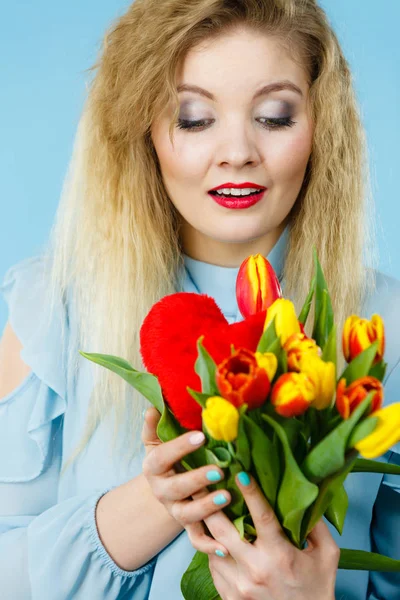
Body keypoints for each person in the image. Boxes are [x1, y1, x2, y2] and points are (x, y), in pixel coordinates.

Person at [0, 0, 399, 598]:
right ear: (144, 131)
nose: (237, 151)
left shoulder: (381, 326)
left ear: (322, 129)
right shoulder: (48, 308)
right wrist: (160, 498)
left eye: (273, 115)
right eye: (193, 118)